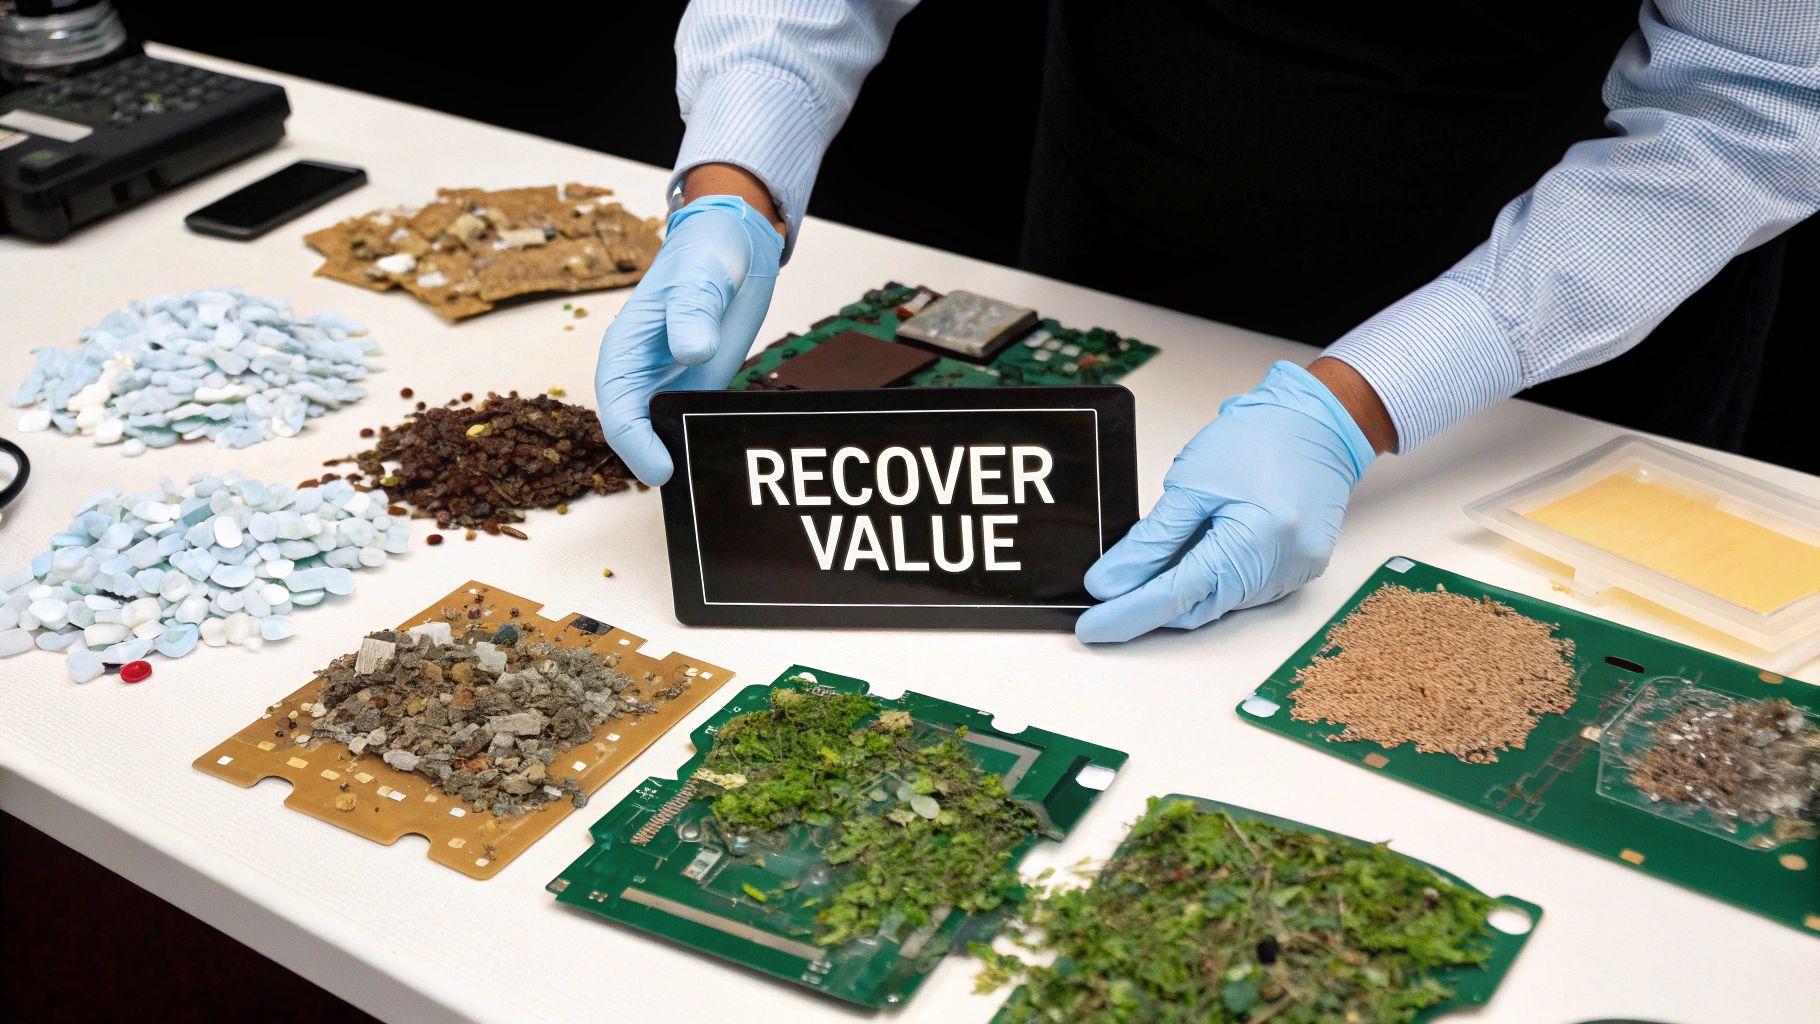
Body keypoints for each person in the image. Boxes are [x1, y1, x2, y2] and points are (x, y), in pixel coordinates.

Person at [594, 1, 1820, 644]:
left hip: (1555, 302)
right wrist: (733, 185)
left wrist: (1358, 402)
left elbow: (1747, 102)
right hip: (1134, 195)